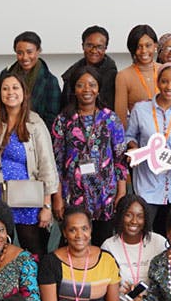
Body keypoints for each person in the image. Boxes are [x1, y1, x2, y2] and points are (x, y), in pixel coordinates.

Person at [0, 73, 58, 256]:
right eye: (5, 88)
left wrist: (47, 206)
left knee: (32, 246)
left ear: (24, 92)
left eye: (15, 88)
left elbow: (47, 166)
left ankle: (34, 284)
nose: (10, 92)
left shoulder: (35, 123)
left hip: (27, 197)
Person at [51, 65, 128, 245]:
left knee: (105, 245)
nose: (87, 90)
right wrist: (58, 197)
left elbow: (120, 159)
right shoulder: (63, 120)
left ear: (99, 88)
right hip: (74, 194)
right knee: (73, 244)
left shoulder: (110, 118)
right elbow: (56, 162)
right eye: (81, 85)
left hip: (105, 195)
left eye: (92, 84)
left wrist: (121, 192)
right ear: (74, 89)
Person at [125, 63, 171, 234]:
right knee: (145, 234)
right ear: (158, 82)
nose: (169, 87)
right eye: (165, 81)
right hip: (147, 182)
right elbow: (129, 136)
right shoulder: (140, 109)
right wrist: (134, 149)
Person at [6, 31, 62, 129]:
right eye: (20, 53)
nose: (24, 57)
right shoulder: (6, 76)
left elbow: (53, 119)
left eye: (29, 52)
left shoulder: (50, 81)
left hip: (36, 135)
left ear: (38, 50)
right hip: (7, 130)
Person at [61, 25, 118, 111]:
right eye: (89, 45)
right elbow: (64, 106)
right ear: (83, 46)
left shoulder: (113, 76)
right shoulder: (71, 74)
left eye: (99, 47)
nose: (94, 51)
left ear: (105, 48)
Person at [114, 24, 160, 127]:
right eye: (139, 46)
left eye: (148, 45)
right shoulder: (123, 76)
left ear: (155, 45)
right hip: (138, 138)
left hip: (168, 135)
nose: (144, 51)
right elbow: (120, 119)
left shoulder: (165, 70)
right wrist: (130, 142)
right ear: (132, 49)